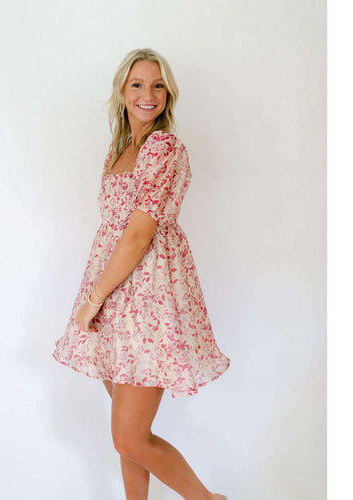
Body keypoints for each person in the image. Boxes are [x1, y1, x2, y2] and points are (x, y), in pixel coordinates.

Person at [52, 48, 230, 500]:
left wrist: (92, 300)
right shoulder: (120, 150)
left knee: (129, 437)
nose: (147, 94)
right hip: (115, 293)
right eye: (137, 84)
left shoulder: (163, 147)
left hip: (147, 296)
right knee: (126, 430)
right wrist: (100, 298)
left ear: (168, 93)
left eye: (157, 85)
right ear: (122, 91)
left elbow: (137, 235)